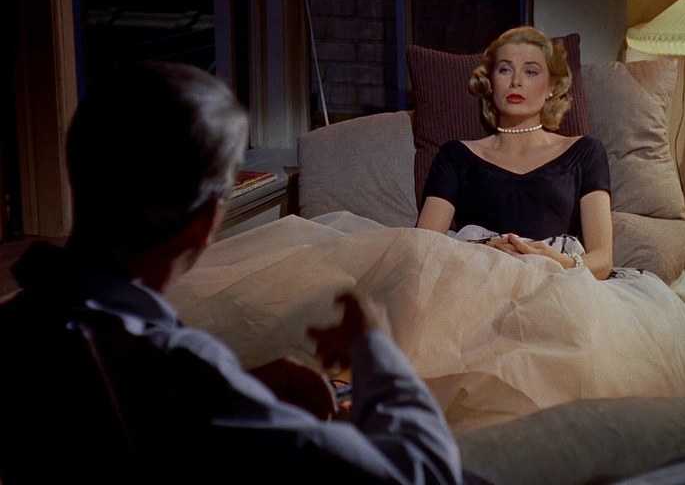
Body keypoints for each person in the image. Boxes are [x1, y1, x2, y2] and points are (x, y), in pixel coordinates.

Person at [0, 62, 462, 484]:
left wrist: (245, 390)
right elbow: (425, 472)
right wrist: (377, 354)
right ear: (204, 223)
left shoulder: (21, 324)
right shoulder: (179, 366)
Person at [417, 26, 612, 280]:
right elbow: (423, 247)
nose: (516, 81)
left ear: (552, 86)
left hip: (557, 282)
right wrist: (482, 250)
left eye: (531, 71)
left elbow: (602, 261)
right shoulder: (455, 156)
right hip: (475, 278)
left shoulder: (585, 152)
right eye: (505, 69)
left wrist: (557, 263)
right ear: (491, 83)